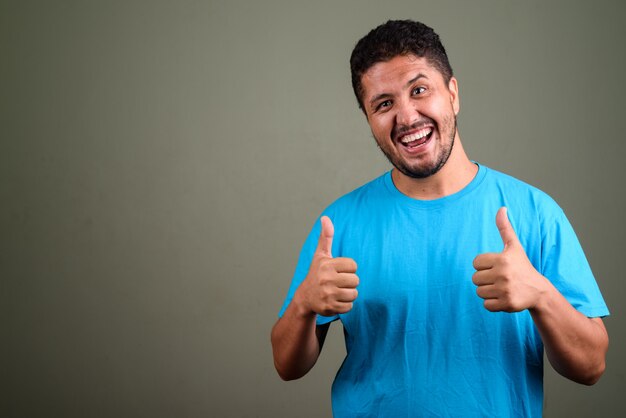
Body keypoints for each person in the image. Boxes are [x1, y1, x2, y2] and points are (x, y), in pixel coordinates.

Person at [270, 20, 609, 417]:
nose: (406, 116)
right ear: (368, 119)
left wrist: (541, 295)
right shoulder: (338, 224)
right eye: (383, 103)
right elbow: (287, 366)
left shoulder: (534, 213)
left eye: (419, 90)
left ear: (453, 93)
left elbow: (591, 367)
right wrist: (303, 306)